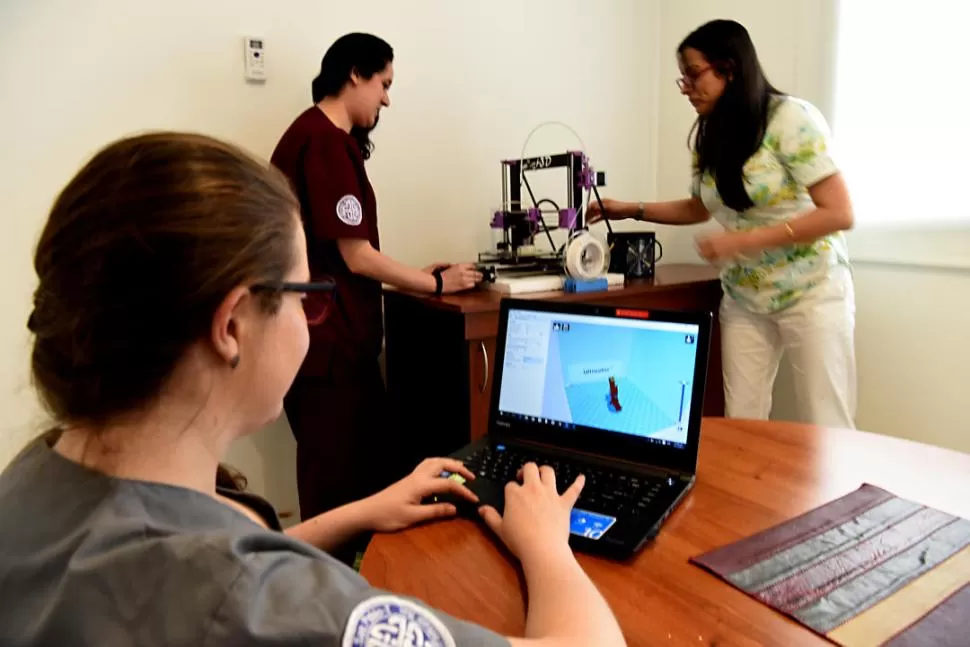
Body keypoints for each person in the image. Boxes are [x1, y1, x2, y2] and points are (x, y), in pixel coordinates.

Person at [0, 132, 625, 647]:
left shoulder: (37, 482)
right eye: (308, 297)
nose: (309, 321)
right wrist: (546, 545)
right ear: (233, 325)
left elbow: (188, 555)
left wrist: (359, 512)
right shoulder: (278, 608)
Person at [589, 19, 857, 428]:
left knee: (828, 425)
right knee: (742, 423)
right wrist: (628, 208)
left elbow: (839, 213)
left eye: (694, 76)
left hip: (812, 292)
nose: (687, 89)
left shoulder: (790, 119)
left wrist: (743, 241)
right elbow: (700, 207)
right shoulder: (709, 134)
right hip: (746, 299)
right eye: (683, 80)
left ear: (729, 68)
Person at [269, 33, 483, 544]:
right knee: (338, 486)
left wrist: (417, 273)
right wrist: (434, 282)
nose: (387, 98)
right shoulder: (322, 141)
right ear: (355, 75)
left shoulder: (321, 138)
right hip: (329, 350)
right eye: (384, 83)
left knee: (360, 473)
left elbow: (345, 252)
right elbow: (356, 256)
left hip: (332, 346)